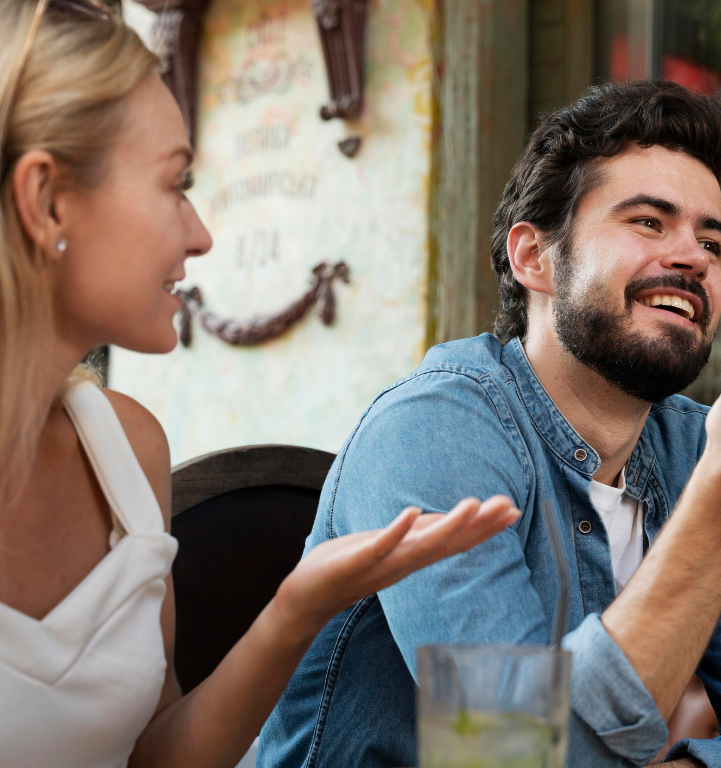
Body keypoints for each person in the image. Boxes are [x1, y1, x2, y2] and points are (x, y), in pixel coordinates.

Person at [259, 80, 721, 768]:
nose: (693, 257)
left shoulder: (697, 450)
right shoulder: (434, 429)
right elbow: (506, 749)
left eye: (713, 242)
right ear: (534, 258)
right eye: (649, 222)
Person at [0, 2, 518, 767]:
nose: (201, 234)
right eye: (175, 184)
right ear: (47, 202)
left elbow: (152, 758)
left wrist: (300, 606)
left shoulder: (128, 449)